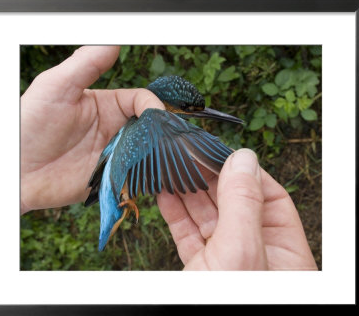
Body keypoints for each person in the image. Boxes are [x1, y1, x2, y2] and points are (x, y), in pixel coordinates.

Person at [21, 46, 317, 270]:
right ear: (166, 105)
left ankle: (126, 200)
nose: (193, 115)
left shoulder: (138, 125)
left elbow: (166, 147)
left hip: (112, 187)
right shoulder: (152, 121)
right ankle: (125, 201)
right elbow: (173, 142)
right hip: (113, 192)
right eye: (187, 108)